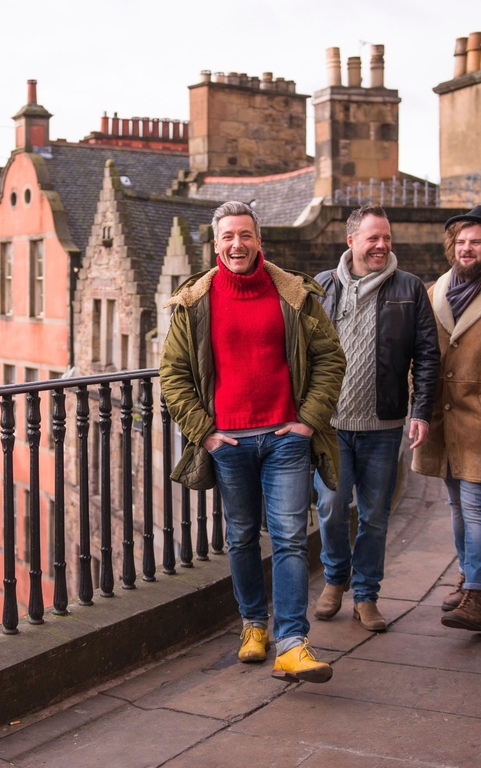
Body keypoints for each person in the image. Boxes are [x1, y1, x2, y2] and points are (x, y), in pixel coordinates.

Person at [160, 201, 345, 683]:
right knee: (241, 537)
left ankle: (292, 643)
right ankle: (253, 625)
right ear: (216, 243)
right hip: (229, 444)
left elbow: (330, 358)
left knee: (288, 538)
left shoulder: (293, 294)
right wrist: (206, 433)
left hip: (286, 437)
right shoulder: (195, 301)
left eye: (245, 235)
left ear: (259, 240)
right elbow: (173, 375)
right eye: (227, 237)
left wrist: (307, 420)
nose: (236, 245)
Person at [313, 204, 439, 631]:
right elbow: (300, 353)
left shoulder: (410, 287)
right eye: (373, 238)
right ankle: (334, 580)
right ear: (351, 242)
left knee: (374, 516)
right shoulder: (323, 287)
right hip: (330, 426)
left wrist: (420, 411)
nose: (382, 245)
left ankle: (366, 594)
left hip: (383, 427)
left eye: (387, 238)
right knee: (330, 507)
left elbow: (426, 354)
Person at [413, 205, 481, 631]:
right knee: (456, 506)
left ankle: (477, 591)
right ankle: (467, 577)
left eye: (476, 242)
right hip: (444, 420)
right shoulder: (434, 291)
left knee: (474, 508)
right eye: (461, 241)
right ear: (451, 247)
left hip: (477, 421)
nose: (468, 248)